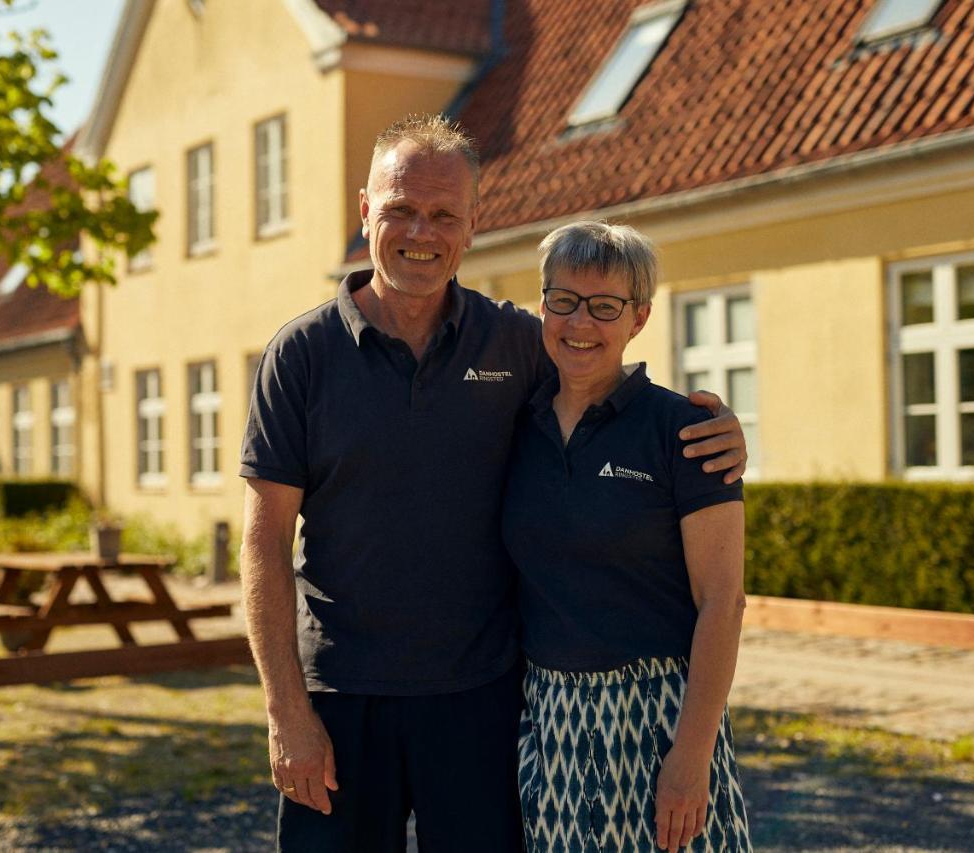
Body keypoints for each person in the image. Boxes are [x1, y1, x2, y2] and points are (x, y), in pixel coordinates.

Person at [239, 115, 748, 852]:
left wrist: (719, 432)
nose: (422, 230)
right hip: (340, 696)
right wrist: (286, 711)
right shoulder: (302, 354)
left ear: (473, 225)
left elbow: (600, 378)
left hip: (482, 699)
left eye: (444, 213)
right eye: (401, 209)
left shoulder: (514, 342)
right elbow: (262, 545)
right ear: (364, 211)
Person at [503, 221, 751, 853]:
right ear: (543, 305)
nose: (580, 323)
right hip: (550, 718)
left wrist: (692, 756)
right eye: (564, 300)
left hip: (662, 717)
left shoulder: (685, 432)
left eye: (605, 307)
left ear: (638, 318)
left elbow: (723, 602)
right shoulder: (512, 426)